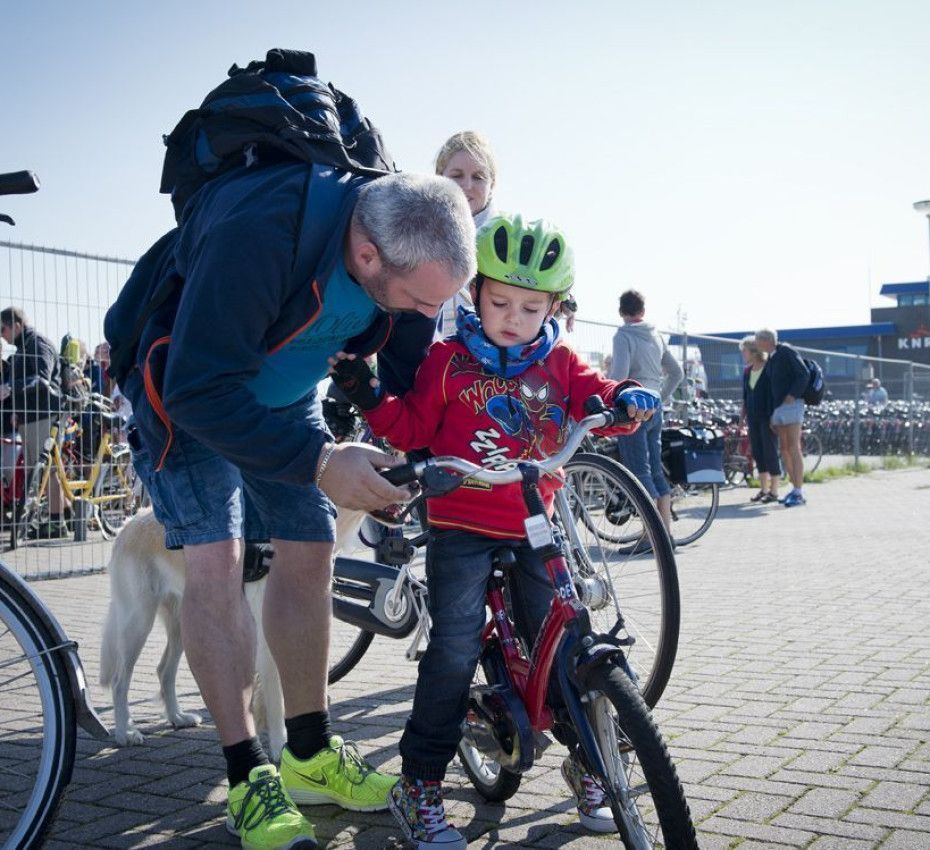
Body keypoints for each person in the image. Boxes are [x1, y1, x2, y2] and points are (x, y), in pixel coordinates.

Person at [112, 166, 476, 850]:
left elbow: (404, 382)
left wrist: (407, 461)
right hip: (187, 392)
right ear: (367, 256)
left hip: (285, 388)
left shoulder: (407, 268)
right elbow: (197, 389)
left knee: (311, 548)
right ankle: (248, 777)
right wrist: (319, 461)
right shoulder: (259, 235)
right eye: (422, 303)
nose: (429, 318)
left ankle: (308, 756)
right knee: (214, 560)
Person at [329, 213, 660, 849]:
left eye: (531, 307)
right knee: (453, 648)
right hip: (461, 524)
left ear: (554, 308)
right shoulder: (449, 361)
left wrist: (625, 397)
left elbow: (599, 399)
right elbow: (411, 427)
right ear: (475, 293)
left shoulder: (561, 363)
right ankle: (420, 785)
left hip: (533, 521)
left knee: (562, 642)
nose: (513, 316)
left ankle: (593, 764)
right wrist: (368, 394)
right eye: (500, 300)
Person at [609, 290, 684, 534]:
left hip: (633, 408)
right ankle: (665, 533)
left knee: (638, 471)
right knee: (654, 467)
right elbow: (677, 372)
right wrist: (659, 397)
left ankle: (650, 536)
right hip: (655, 407)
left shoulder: (623, 335)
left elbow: (619, 375)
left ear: (621, 312)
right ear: (643, 310)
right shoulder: (656, 335)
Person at [0, 307, 69, 538]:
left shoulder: (38, 343)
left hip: (45, 415)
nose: (2, 335)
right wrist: (17, 411)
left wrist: (10, 388)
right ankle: (59, 516)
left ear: (17, 324)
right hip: (30, 417)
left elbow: (43, 377)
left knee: (46, 470)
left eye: (3, 329)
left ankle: (57, 522)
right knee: (36, 472)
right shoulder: (21, 349)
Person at [754, 328, 809, 507]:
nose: (756, 345)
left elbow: (803, 374)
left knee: (794, 447)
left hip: (791, 405)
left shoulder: (786, 351)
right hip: (778, 409)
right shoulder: (772, 358)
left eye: (758, 341)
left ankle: (799, 492)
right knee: (784, 449)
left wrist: (793, 394)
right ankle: (794, 489)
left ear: (767, 340)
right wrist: (772, 414)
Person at [739, 336, 781, 503]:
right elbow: (745, 396)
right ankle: (763, 489)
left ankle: (775, 491)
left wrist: (774, 417)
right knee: (757, 452)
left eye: (745, 351)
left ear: (754, 351)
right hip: (753, 418)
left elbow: (774, 394)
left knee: (770, 452)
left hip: (767, 417)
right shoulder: (747, 371)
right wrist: (742, 417)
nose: (743, 354)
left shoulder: (769, 368)